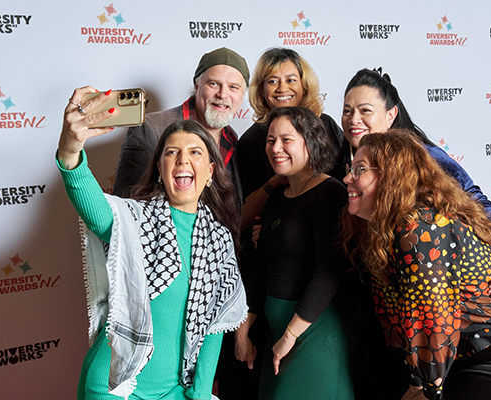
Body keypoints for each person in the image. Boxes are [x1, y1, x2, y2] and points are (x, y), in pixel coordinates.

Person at [340, 131, 491, 400]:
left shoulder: (420, 231)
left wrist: (423, 388)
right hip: (483, 353)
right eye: (351, 167)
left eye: (360, 169)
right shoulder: (381, 226)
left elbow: (433, 321)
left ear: (391, 176)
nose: (348, 177)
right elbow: (396, 313)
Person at [336, 69, 491, 399]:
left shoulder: (423, 160)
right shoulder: (352, 157)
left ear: (391, 113)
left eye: (365, 110)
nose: (354, 118)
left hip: (446, 317)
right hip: (384, 301)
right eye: (347, 110)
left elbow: (475, 201)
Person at [57, 87, 248, 400]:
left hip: (174, 391)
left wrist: (199, 394)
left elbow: (216, 326)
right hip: (114, 387)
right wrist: (69, 151)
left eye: (195, 152)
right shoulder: (132, 220)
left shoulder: (219, 239)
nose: (182, 159)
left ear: (211, 171)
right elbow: (93, 207)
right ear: (160, 169)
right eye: (171, 152)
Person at [235, 107, 354, 399]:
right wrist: (243, 326)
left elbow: (330, 271)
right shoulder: (278, 193)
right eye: (270, 140)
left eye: (286, 139)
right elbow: (262, 265)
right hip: (277, 332)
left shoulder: (330, 193)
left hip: (313, 332)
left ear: (310, 142)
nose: (276, 148)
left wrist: (291, 334)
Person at [112, 47, 250, 201]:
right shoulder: (152, 128)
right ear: (197, 87)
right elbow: (125, 204)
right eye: (214, 84)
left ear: (242, 95)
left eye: (233, 87)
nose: (223, 94)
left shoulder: (231, 138)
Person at [237, 47, 343, 229]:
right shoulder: (251, 141)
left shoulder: (326, 126)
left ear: (304, 86)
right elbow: (245, 214)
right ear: (262, 90)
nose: (282, 88)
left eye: (291, 80)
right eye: (272, 81)